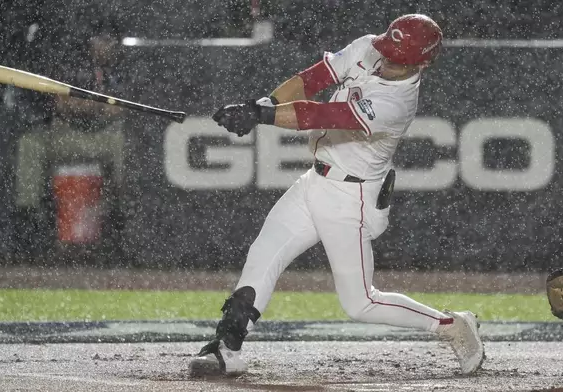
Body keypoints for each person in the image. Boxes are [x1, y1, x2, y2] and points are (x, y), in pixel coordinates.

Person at [189, 14, 485, 377]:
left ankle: (452, 325)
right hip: (315, 181)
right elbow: (314, 78)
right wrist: (262, 103)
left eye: (397, 56)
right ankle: (227, 347)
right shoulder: (370, 46)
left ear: (422, 62)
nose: (386, 58)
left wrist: (260, 115)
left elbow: (325, 114)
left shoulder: (396, 104)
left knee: (361, 303)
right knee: (263, 253)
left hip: (352, 199)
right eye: (387, 49)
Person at [14, 17, 126, 248]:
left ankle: (119, 216)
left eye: (110, 41)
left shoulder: (123, 68)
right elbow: (63, 104)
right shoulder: (73, 64)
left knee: (125, 145)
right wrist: (97, 107)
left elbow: (121, 111)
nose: (105, 46)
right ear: (91, 42)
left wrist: (88, 106)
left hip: (105, 137)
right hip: (69, 135)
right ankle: (28, 220)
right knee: (30, 143)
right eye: (100, 40)